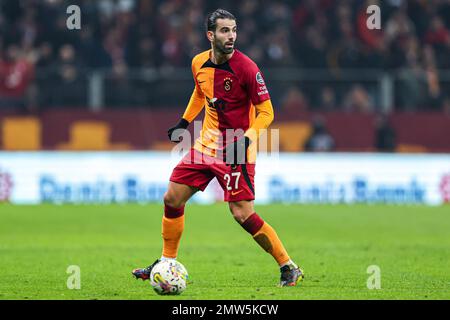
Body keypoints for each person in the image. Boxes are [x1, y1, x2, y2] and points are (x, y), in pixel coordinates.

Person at [132, 9, 304, 287]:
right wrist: (184, 121)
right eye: (225, 31)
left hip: (237, 147)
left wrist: (246, 139)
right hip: (207, 144)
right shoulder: (198, 62)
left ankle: (287, 265)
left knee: (242, 213)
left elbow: (267, 112)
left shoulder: (247, 68)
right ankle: (166, 261)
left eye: (234, 30)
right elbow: (201, 93)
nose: (231, 36)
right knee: (172, 198)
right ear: (210, 35)